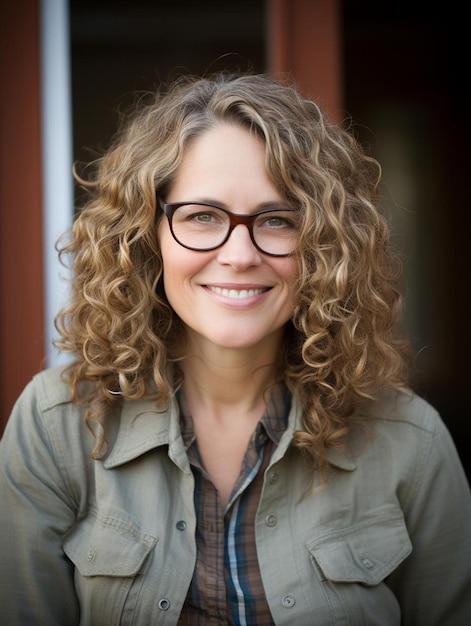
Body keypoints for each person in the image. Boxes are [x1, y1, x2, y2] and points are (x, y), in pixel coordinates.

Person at [0, 71, 470, 626]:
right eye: (202, 216)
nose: (240, 254)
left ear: (324, 244)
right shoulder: (57, 425)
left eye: (277, 220)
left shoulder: (410, 444)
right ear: (145, 237)